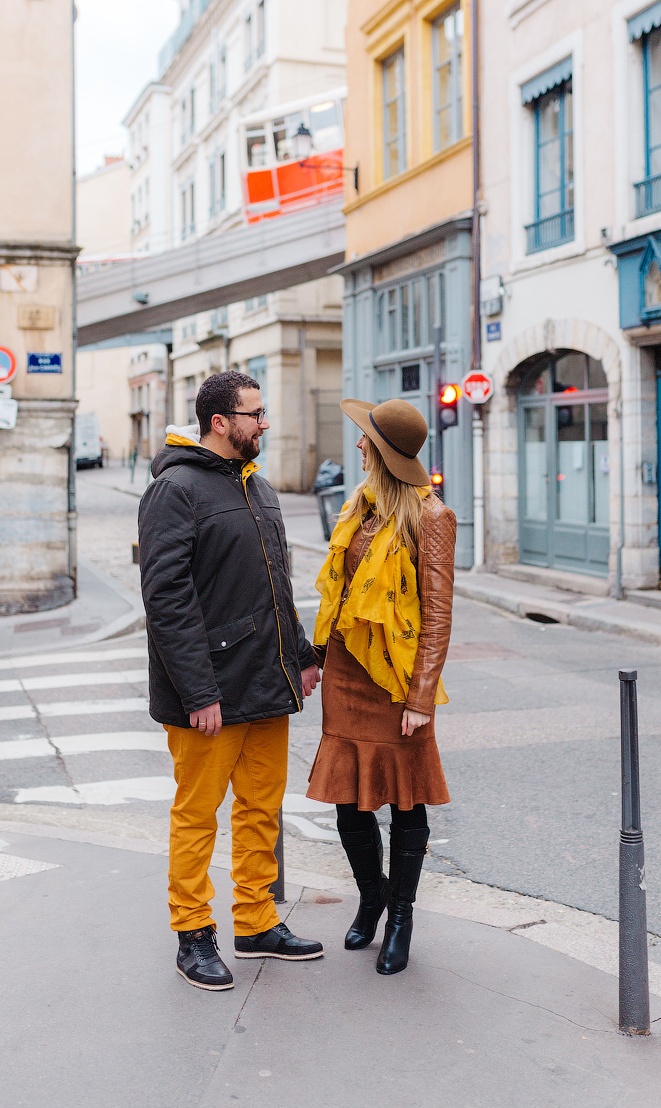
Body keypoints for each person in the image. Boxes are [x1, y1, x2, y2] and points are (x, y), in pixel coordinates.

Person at [139, 370, 324, 993]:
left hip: (266, 684)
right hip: (209, 693)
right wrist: (198, 692)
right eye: (255, 413)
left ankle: (257, 922)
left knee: (261, 810)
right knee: (198, 816)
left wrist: (300, 654)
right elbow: (166, 599)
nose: (264, 423)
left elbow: (278, 587)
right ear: (221, 422)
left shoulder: (258, 487)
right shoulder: (175, 491)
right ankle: (193, 935)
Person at [307, 397, 456, 975]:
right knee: (349, 801)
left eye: (366, 438)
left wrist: (422, 698)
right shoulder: (357, 508)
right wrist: (315, 655)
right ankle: (371, 895)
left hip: (398, 681)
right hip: (348, 674)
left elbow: (438, 615)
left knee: (407, 802)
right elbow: (339, 594)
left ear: (384, 452)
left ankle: (400, 915)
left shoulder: (430, 518)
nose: (359, 444)